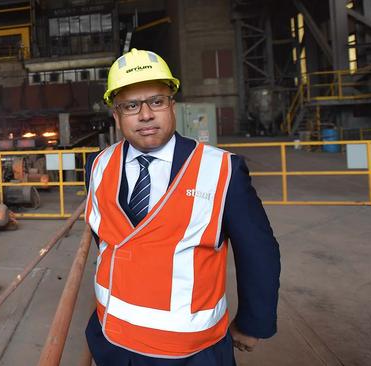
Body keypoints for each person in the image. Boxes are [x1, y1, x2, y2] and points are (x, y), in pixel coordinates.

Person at [83, 48, 280, 366]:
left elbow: (258, 251)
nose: (145, 114)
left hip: (191, 352)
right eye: (131, 105)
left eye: (156, 101)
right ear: (116, 115)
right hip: (111, 342)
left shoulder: (221, 170)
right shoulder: (97, 165)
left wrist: (253, 323)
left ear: (172, 105)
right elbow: (106, 238)